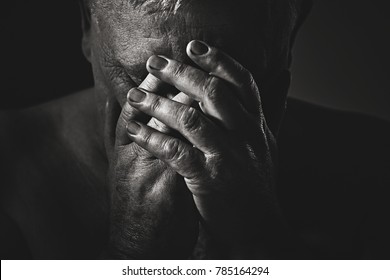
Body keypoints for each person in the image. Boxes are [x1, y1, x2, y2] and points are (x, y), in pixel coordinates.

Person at [1, 0, 389, 259]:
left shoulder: (374, 170)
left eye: (226, 78)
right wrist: (135, 252)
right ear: (89, 27)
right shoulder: (11, 176)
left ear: (289, 36)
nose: (184, 114)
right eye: (147, 77)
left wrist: (259, 244)